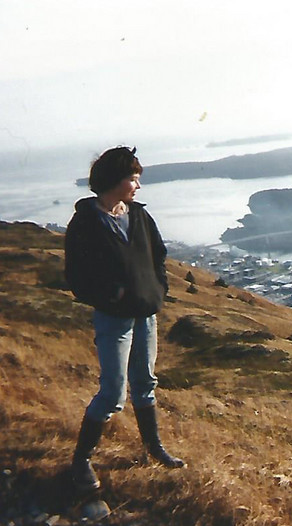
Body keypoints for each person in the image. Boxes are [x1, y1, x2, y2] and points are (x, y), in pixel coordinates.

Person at [64, 146, 185, 491]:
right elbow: (76, 277)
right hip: (114, 319)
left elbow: (159, 256)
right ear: (114, 181)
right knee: (113, 393)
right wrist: (111, 296)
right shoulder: (85, 223)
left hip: (145, 313)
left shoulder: (140, 216)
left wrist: (156, 289)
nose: (138, 186)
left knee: (145, 384)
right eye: (134, 179)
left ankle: (153, 448)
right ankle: (82, 461)